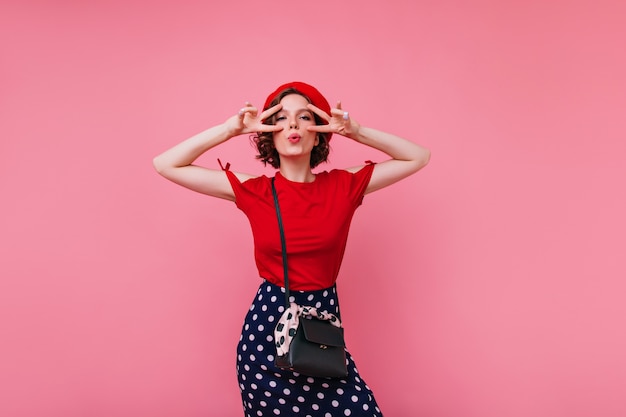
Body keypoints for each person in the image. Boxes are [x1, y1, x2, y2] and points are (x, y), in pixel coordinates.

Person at [153, 81, 430, 417]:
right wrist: (229, 130)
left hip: (321, 335)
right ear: (270, 134)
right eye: (282, 118)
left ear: (319, 135)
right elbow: (166, 164)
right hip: (266, 341)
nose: (294, 125)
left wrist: (355, 131)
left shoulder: (343, 187)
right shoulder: (254, 192)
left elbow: (418, 156)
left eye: (304, 117)